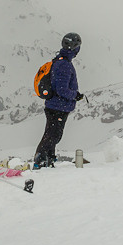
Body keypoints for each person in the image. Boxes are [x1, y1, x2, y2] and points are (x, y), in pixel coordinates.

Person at [33, 32, 84, 169]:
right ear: (76, 48)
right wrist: (75, 95)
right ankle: (40, 161)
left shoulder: (59, 60)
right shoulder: (64, 65)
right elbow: (62, 89)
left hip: (55, 105)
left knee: (52, 135)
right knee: (52, 136)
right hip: (58, 106)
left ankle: (48, 160)